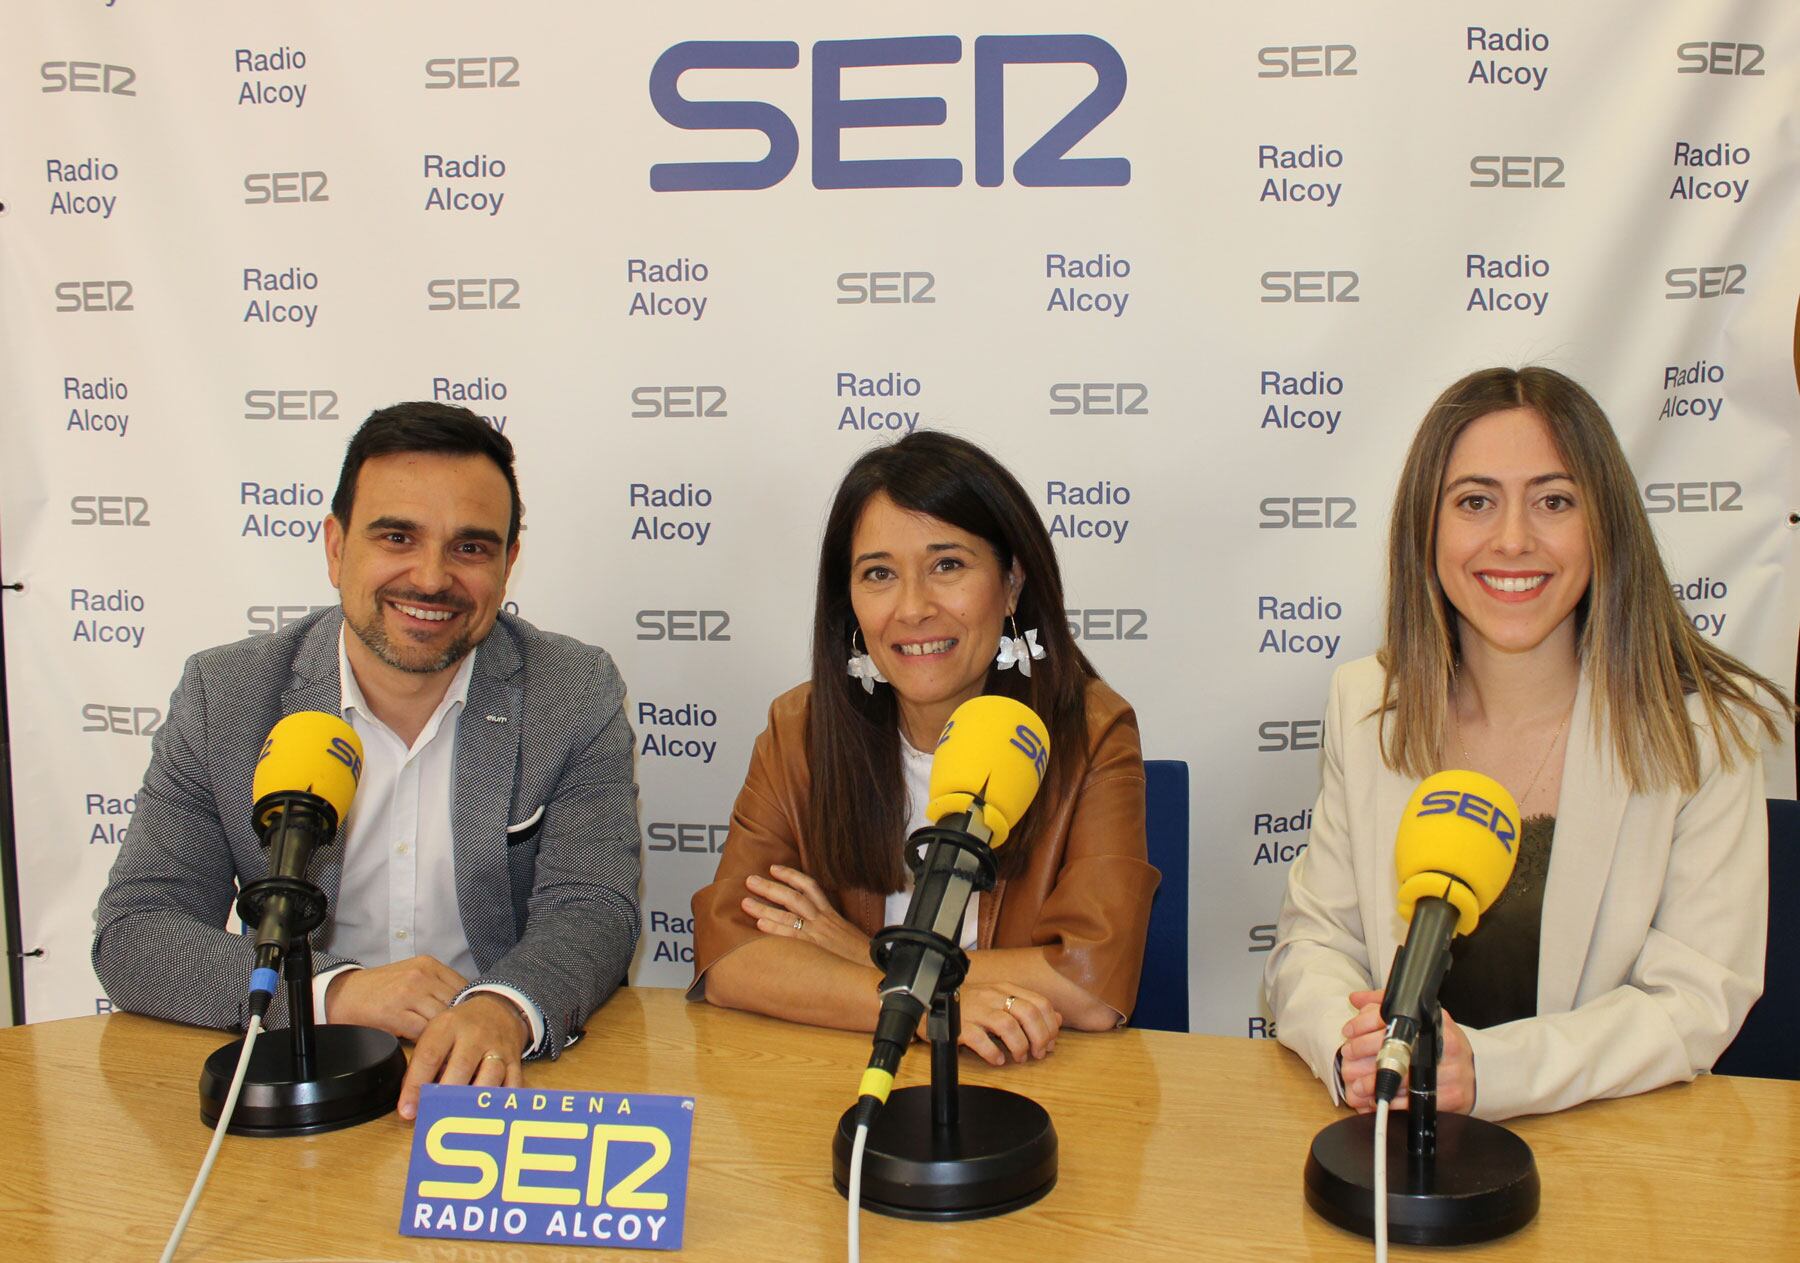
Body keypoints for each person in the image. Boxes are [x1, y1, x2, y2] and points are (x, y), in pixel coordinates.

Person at [1264, 366, 1791, 1121]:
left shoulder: (1704, 733)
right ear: (1428, 526)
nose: (1513, 539)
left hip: (1610, 1157)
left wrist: (1490, 1071)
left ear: (1604, 522)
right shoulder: (1366, 704)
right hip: (1392, 1152)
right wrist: (1348, 1039)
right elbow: (1312, 944)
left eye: (1554, 501)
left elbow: (1694, 1001)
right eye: (1475, 502)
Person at [93, 402, 642, 1118]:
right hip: (303, 1079)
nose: (431, 577)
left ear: (509, 564)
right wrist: (337, 992)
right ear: (334, 546)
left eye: (471, 548)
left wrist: (501, 1008)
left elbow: (593, 907)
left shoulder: (572, 689)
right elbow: (136, 930)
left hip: (490, 1088)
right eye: (396, 536)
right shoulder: (223, 696)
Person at [689, 432, 1159, 1065]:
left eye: (948, 565)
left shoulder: (1091, 734)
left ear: (1012, 583)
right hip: (839, 1080)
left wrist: (865, 953)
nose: (912, 608)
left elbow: (1089, 988)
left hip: (1026, 1090)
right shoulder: (799, 731)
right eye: (879, 574)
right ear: (849, 602)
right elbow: (731, 958)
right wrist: (922, 1007)